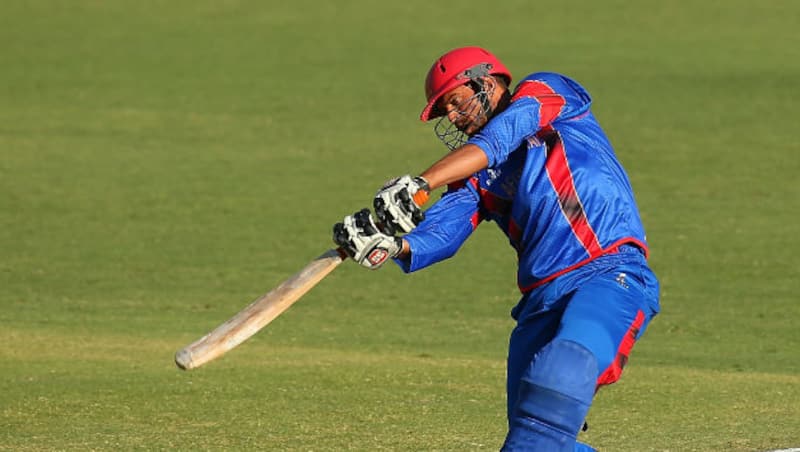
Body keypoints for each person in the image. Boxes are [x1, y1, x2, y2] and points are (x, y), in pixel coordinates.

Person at [333, 46, 661, 451]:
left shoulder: (548, 93)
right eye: (445, 112)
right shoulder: (478, 176)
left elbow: (504, 134)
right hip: (539, 304)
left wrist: (422, 182)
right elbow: (442, 232)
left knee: (564, 368)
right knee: (534, 442)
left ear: (486, 83)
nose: (452, 117)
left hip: (608, 274)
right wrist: (392, 245)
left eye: (454, 102)